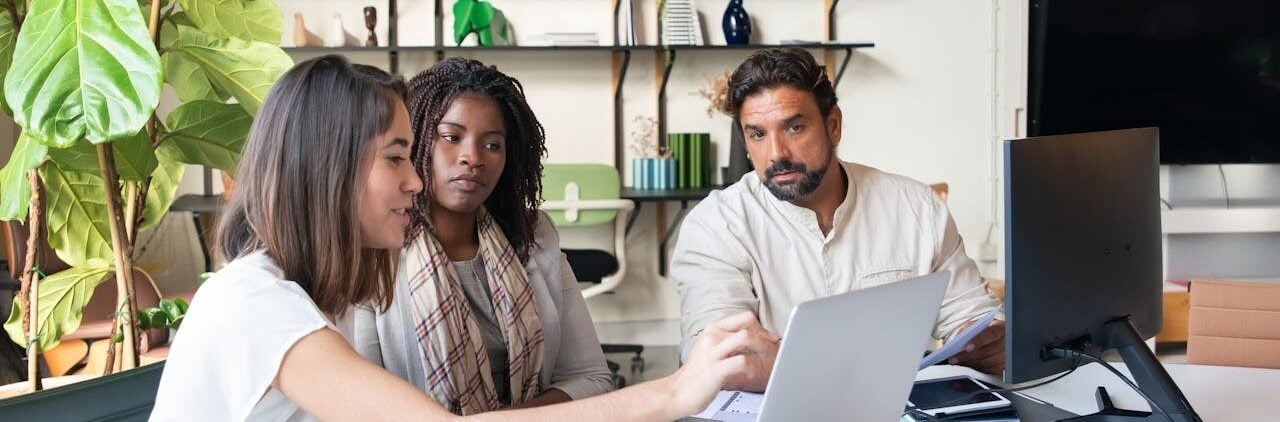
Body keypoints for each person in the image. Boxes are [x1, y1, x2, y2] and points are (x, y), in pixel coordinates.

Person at [152, 55, 769, 421]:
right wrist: (673, 393)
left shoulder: (311, 294)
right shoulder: (257, 303)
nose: (416, 178)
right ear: (330, 167)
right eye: (398, 156)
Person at [670, 48, 1005, 392]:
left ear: (833, 125)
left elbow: (973, 314)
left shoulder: (916, 207)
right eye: (758, 134)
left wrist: (985, 340)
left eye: (795, 127)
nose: (777, 154)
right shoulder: (715, 226)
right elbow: (719, 357)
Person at [349, 57, 611, 412]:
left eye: (492, 145)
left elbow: (590, 377)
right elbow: (361, 406)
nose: (472, 157)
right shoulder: (375, 249)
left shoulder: (534, 237)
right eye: (451, 137)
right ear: (415, 141)